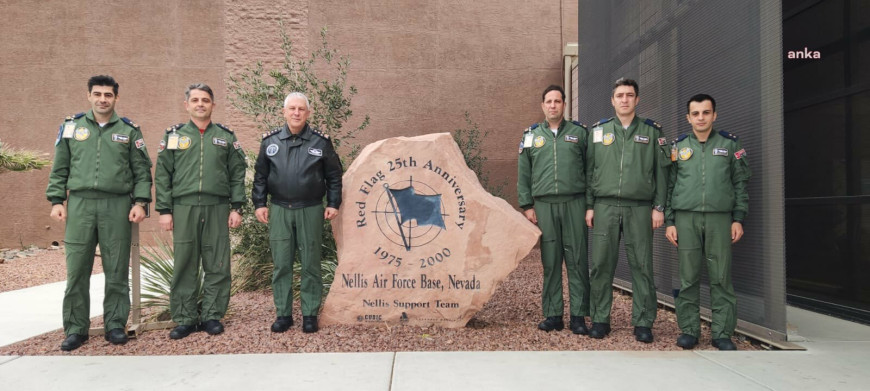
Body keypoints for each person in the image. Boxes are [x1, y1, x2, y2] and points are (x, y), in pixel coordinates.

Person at [46, 75, 152, 351]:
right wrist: (57, 200)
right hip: (80, 205)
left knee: (116, 268)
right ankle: (75, 329)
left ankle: (115, 325)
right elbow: (60, 167)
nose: (102, 99)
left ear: (116, 98)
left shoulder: (129, 130)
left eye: (108, 94)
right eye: (97, 94)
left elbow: (141, 171)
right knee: (77, 270)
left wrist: (140, 202)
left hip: (116, 205)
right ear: (89, 96)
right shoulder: (71, 128)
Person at [154, 83, 247, 340]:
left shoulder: (226, 137)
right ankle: (185, 318)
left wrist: (237, 207)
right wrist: (164, 210)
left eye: (205, 100)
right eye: (195, 100)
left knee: (217, 262)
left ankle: (212, 315)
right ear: (187, 105)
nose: (200, 104)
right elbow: (163, 175)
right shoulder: (174, 136)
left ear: (213, 105)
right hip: (183, 207)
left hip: (217, 207)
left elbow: (237, 174)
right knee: (185, 263)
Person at [585, 78, 671, 343]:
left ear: (637, 100)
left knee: (642, 265)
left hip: (640, 208)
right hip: (605, 206)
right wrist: (590, 205)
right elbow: (589, 172)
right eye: (620, 95)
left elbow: (662, 173)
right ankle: (600, 319)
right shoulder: (598, 132)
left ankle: (643, 322)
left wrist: (659, 207)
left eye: (629, 95)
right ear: (612, 100)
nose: (624, 99)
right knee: (601, 264)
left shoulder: (653, 131)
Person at [665, 94, 751, 351]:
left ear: (714, 115)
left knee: (721, 277)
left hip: (720, 219)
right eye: (696, 113)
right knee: (688, 276)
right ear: (688, 117)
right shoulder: (677, 147)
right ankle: (689, 330)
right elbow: (669, 186)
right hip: (685, 218)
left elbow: (740, 184)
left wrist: (738, 218)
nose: (701, 117)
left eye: (706, 112)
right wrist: (670, 220)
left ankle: (722, 333)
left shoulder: (730, 145)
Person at [252, 92, 342, 334]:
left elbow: (333, 176)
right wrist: (259, 203)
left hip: (310, 209)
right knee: (281, 264)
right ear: (284, 112)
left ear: (308, 113)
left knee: (310, 263)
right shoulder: (270, 142)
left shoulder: (320, 142)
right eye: (292, 108)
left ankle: (310, 314)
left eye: (301, 109)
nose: (296, 112)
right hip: (279, 209)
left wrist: (333, 203)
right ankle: (283, 314)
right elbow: (260, 177)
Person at [517, 85, 591, 334]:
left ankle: (578, 316)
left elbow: (591, 171)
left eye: (557, 101)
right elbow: (524, 173)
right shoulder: (531, 136)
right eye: (548, 101)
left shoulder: (580, 134)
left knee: (577, 260)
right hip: (544, 205)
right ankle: (553, 314)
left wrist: (589, 205)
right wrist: (527, 205)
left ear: (564, 105)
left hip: (575, 203)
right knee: (550, 261)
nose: (552, 105)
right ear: (542, 106)